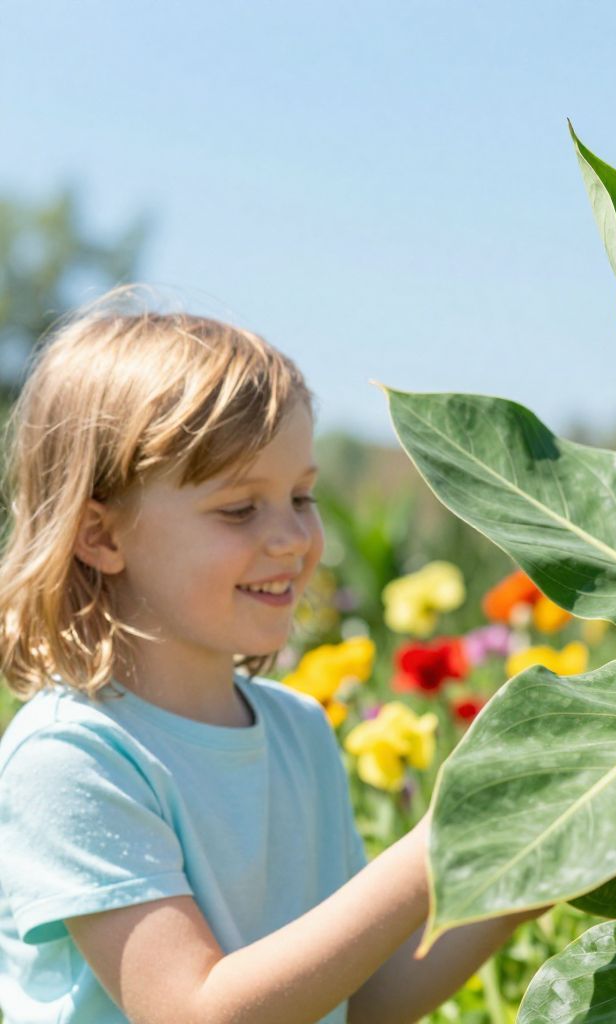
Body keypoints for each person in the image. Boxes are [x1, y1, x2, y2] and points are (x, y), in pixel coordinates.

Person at [0, 298, 537, 1024]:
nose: (292, 538)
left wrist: (539, 857)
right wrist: (440, 841)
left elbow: (358, 997)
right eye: (239, 509)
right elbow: (193, 1012)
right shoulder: (73, 757)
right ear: (101, 534)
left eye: (302, 496)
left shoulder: (299, 731)